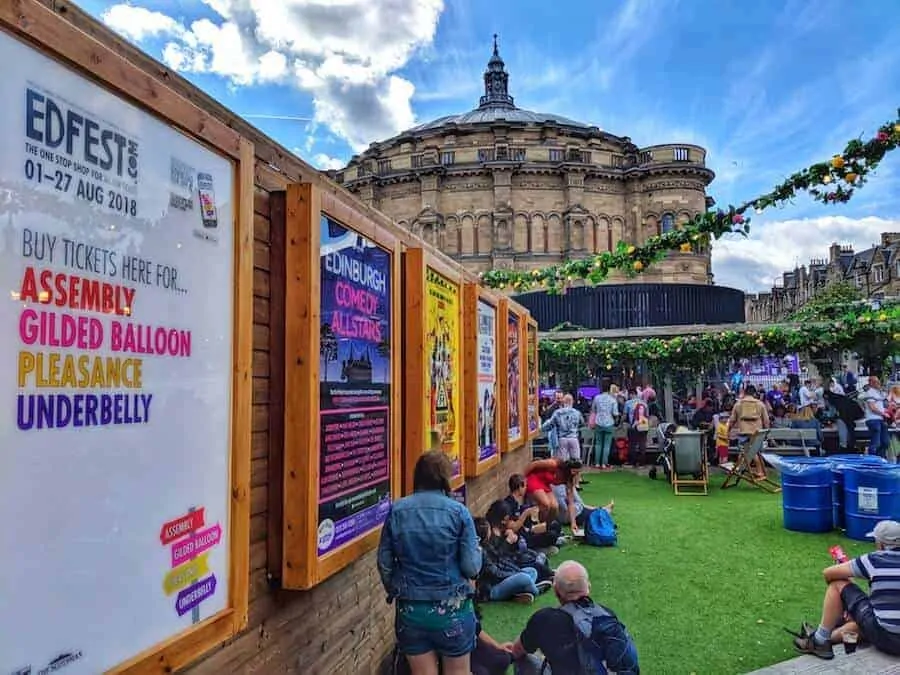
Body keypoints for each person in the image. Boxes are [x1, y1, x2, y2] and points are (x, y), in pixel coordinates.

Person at [377, 451, 482, 675]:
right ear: (445, 477)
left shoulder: (397, 510)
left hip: (411, 610)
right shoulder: (459, 512)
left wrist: (395, 588)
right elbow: (471, 567)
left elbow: (384, 562)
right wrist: (479, 552)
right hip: (452, 608)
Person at [506, 560, 640, 674]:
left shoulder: (544, 619)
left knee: (524, 659)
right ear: (588, 588)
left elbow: (517, 650)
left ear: (556, 591)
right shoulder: (606, 614)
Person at [792, 520, 900, 660]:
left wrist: (847, 602)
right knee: (868, 620)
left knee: (837, 584)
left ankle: (819, 641)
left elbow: (828, 573)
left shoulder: (875, 560)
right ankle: (823, 637)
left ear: (882, 544)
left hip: (886, 638)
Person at [474, 516, 551, 604]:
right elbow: (496, 573)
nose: (490, 531)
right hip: (492, 588)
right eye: (488, 529)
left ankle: (518, 593)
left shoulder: (488, 545)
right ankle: (536, 590)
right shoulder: (480, 551)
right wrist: (516, 574)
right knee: (524, 578)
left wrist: (517, 571)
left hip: (503, 578)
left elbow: (502, 562)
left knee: (532, 571)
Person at [503, 474, 564, 550]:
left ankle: (552, 540)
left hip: (527, 530)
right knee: (552, 535)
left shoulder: (517, 501)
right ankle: (543, 547)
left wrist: (533, 526)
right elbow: (514, 528)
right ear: (519, 487)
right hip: (522, 538)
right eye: (525, 486)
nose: (526, 488)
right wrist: (526, 513)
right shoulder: (509, 504)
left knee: (555, 525)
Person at [524, 458, 582, 529]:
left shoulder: (569, 479)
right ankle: (538, 527)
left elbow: (571, 503)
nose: (577, 474)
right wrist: (523, 479)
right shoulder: (554, 464)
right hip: (535, 478)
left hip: (545, 484)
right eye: (575, 471)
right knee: (546, 504)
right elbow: (534, 464)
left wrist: (573, 523)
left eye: (578, 472)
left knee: (555, 507)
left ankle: (547, 527)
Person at [727, 384, 770, 480]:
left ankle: (747, 470)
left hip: (743, 432)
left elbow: (732, 420)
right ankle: (758, 471)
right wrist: (766, 432)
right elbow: (766, 420)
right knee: (754, 451)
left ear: (745, 393)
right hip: (757, 433)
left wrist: (728, 431)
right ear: (754, 393)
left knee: (745, 451)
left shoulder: (738, 404)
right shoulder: (760, 404)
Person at [542, 394, 584, 461]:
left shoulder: (558, 412)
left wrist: (543, 428)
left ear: (563, 402)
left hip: (562, 439)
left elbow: (550, 424)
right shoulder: (577, 413)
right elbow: (582, 423)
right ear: (572, 401)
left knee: (562, 463)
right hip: (573, 438)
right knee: (576, 462)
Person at [590, 384, 619, 469]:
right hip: (609, 422)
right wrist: (616, 420)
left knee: (598, 444)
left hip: (598, 422)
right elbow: (615, 413)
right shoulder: (612, 399)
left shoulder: (597, 398)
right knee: (606, 445)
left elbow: (593, 409)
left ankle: (597, 463)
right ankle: (604, 463)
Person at [860, 375, 890, 458]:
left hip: (881, 419)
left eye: (878, 381)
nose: (878, 383)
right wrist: (883, 414)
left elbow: (885, 404)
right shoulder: (869, 393)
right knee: (876, 443)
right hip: (873, 419)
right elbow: (872, 408)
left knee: (885, 442)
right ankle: (872, 459)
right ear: (871, 383)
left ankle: (881, 459)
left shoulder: (879, 392)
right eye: (875, 382)